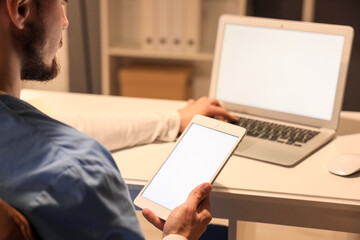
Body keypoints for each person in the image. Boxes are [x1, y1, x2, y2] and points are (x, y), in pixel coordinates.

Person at [0, 0, 236, 239]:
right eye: (61, 2)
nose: (65, 21)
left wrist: (174, 120)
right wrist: (179, 234)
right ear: (21, 9)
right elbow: (70, 148)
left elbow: (69, 126)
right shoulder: (78, 176)